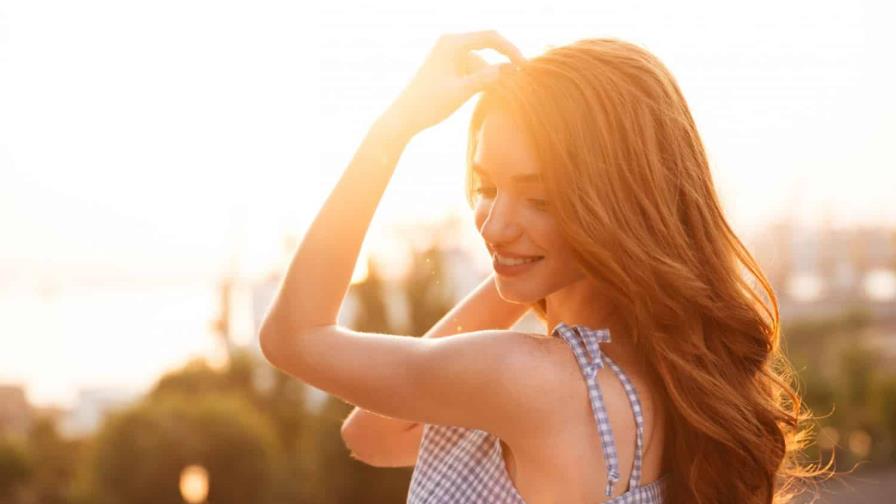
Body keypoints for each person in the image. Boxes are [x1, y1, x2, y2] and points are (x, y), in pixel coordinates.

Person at [259, 30, 828, 503]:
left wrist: (393, 130)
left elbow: (293, 337)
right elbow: (375, 433)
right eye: (487, 186)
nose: (492, 223)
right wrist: (530, 258)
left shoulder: (526, 381)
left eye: (542, 198)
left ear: (620, 205)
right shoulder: (666, 378)